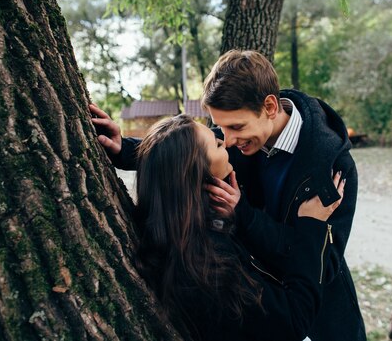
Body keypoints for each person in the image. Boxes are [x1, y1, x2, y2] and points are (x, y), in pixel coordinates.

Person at [91, 49, 365, 341]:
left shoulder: (333, 166)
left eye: (236, 127)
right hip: (251, 301)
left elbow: (328, 262)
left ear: (270, 107)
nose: (228, 139)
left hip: (315, 318)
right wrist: (126, 149)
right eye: (220, 127)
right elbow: (187, 156)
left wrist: (245, 216)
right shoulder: (236, 133)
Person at [130, 114, 345, 341]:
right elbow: (294, 322)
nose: (227, 142)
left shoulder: (174, 234)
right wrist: (311, 226)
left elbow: (163, 161)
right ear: (196, 173)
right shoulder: (208, 266)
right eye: (218, 144)